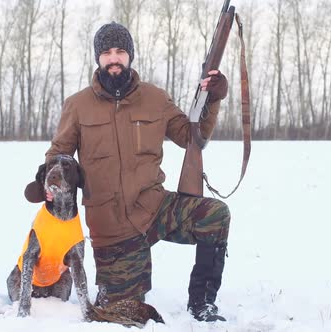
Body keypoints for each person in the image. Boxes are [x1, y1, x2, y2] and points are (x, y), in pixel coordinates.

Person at [44, 22, 230, 322]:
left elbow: (191, 137)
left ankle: (202, 303)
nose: (113, 58)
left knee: (215, 215)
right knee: (122, 315)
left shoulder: (155, 98)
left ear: (130, 55)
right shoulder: (77, 106)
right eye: (106, 52)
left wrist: (213, 97)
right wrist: (56, 179)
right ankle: (115, 289)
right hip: (112, 226)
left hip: (155, 207)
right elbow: (58, 155)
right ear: (98, 58)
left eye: (120, 51)